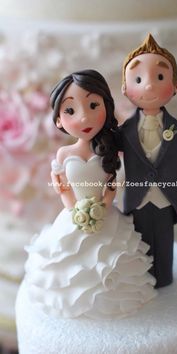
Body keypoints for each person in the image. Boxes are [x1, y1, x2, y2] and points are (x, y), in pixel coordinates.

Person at [23, 70, 156, 319]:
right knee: (67, 263)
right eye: (70, 110)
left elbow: (113, 184)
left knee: (112, 263)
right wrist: (74, 209)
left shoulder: (110, 153)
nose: (84, 116)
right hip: (73, 216)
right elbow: (61, 186)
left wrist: (103, 207)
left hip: (107, 216)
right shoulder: (63, 155)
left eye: (93, 105)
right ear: (59, 121)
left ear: (106, 105)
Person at [117, 34, 177, 288]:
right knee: (138, 243)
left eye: (159, 77)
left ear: (176, 86)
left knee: (164, 242)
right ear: (125, 88)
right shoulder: (123, 131)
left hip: (166, 199)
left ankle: (164, 279)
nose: (149, 86)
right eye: (138, 79)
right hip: (136, 201)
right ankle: (141, 281)